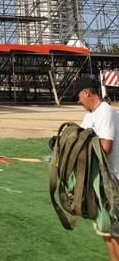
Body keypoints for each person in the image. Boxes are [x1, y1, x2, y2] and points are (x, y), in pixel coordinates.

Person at [75, 76, 119, 259]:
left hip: (114, 180)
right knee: (105, 232)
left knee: (116, 233)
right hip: (100, 181)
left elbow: (106, 147)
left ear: (87, 93)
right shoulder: (90, 115)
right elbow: (78, 139)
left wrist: (81, 149)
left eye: (79, 96)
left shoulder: (105, 112)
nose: (78, 101)